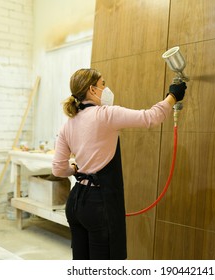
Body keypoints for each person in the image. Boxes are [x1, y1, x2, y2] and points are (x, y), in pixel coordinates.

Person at [52, 68, 187, 260]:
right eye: (103, 84)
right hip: (98, 204)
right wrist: (173, 96)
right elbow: (150, 118)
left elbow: (58, 169)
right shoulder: (106, 114)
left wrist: (74, 168)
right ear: (92, 90)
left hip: (75, 203)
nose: (106, 89)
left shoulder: (68, 123)